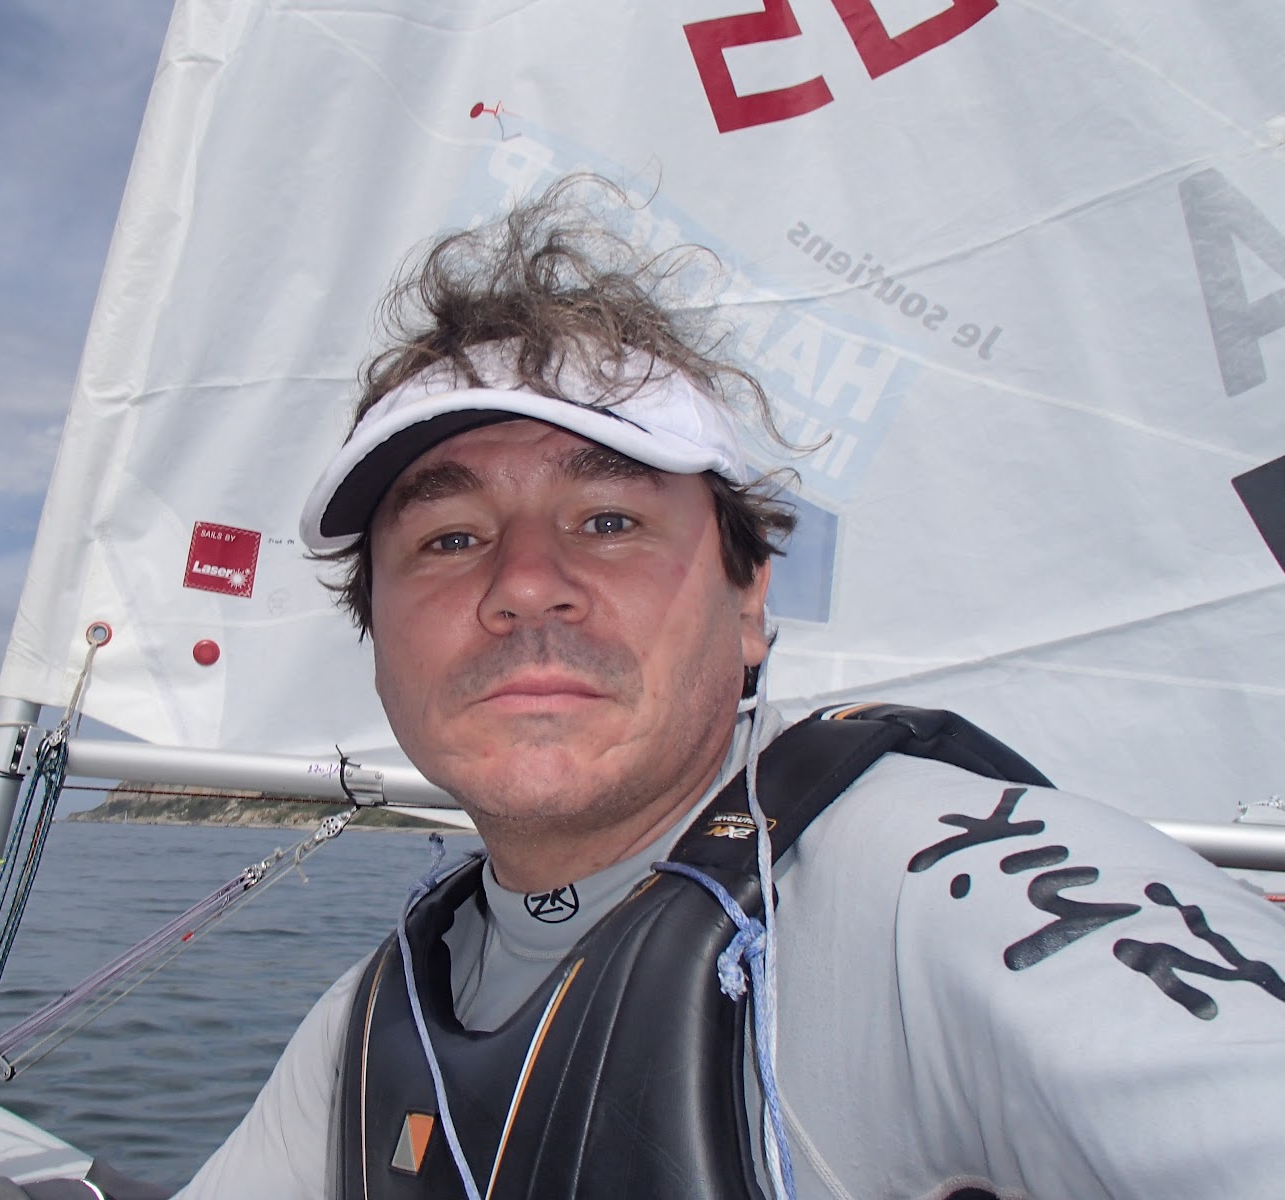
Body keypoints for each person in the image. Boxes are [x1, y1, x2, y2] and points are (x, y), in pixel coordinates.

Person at [177, 178, 1285, 1199]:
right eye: (451, 538)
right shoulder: (376, 1025)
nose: (522, 585)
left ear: (749, 602)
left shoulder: (947, 894)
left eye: (607, 521)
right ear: (376, 634)